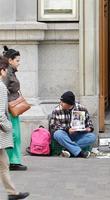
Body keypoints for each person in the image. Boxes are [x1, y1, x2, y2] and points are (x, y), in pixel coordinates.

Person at [0, 56, 29, 200]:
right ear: (2, 70)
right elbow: (0, 113)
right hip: (1, 132)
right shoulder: (0, 86)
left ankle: (12, 193)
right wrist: (8, 127)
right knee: (4, 165)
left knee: (4, 164)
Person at [49, 91, 96, 158]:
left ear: (69, 104)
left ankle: (68, 151)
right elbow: (53, 126)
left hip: (78, 135)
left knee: (92, 137)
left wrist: (89, 128)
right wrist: (67, 129)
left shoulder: (81, 108)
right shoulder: (56, 110)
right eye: (61, 101)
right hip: (65, 135)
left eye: (63, 102)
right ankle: (79, 153)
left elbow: (89, 123)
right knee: (57, 134)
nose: (61, 103)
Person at [2, 46, 27, 171]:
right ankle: (12, 162)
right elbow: (2, 91)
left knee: (15, 135)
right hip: (9, 110)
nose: (19, 63)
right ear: (10, 60)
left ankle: (14, 161)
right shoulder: (6, 74)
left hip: (13, 110)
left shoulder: (11, 72)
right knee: (13, 135)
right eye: (17, 60)